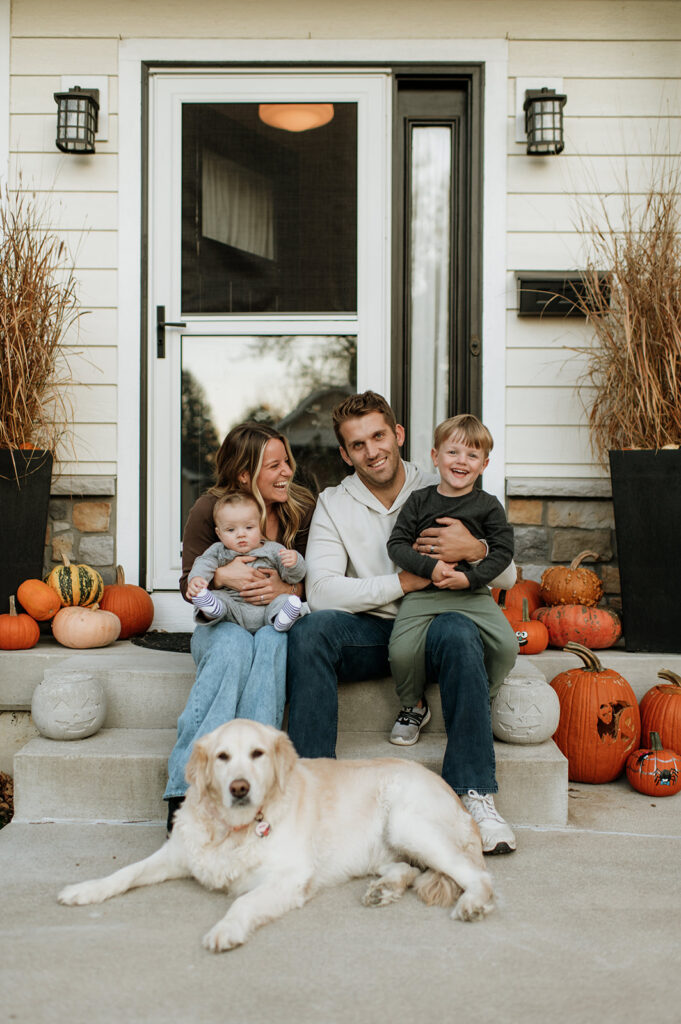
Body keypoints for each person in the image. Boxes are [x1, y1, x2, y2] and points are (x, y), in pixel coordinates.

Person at [286, 391, 519, 855]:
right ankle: (313, 794)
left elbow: (509, 575)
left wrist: (475, 551)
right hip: (371, 632)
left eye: (378, 436)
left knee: (459, 630)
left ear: (398, 435)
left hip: (437, 627)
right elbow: (323, 590)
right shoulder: (334, 502)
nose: (371, 451)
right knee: (309, 630)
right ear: (345, 454)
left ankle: (472, 794)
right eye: (357, 444)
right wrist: (404, 583)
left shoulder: (445, 481)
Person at [164, 422, 315, 833]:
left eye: (288, 462)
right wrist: (221, 578)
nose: (287, 472)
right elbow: (188, 583)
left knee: (270, 646)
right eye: (275, 465)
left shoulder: (296, 508)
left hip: (270, 622)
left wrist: (286, 586)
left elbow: (311, 576)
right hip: (223, 623)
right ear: (246, 474)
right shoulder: (210, 510)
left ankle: (255, 788)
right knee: (232, 649)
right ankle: (187, 786)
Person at [386, 414, 519, 746]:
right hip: (424, 593)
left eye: (472, 456)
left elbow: (501, 553)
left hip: (471, 594)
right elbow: (397, 544)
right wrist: (429, 569)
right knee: (401, 651)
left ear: (484, 464)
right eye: (453, 452)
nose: (462, 461)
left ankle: (480, 697)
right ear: (435, 456)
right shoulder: (420, 500)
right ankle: (413, 706)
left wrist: (471, 579)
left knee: (507, 646)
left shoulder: (488, 506)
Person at [187, 491, 307, 633]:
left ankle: (281, 619)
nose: (241, 534)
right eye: (231, 530)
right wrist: (197, 578)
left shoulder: (274, 550)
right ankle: (212, 610)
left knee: (283, 601)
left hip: (267, 609)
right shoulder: (218, 551)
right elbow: (203, 563)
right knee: (218, 598)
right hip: (233, 608)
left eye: (249, 527)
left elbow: (292, 577)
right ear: (219, 533)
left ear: (260, 526)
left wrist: (294, 562)